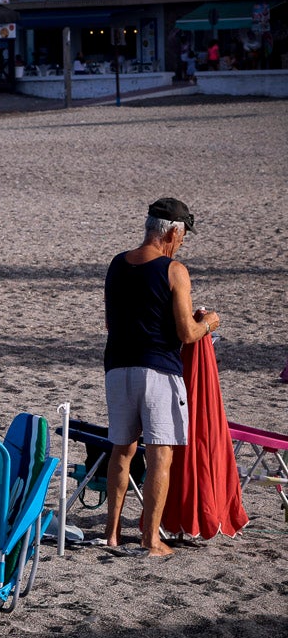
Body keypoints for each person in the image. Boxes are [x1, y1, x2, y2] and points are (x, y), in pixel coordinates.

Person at [103, 198, 220, 557]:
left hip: (117, 367)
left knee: (121, 451)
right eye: (183, 237)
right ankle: (150, 540)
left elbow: (111, 323)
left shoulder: (117, 264)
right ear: (172, 231)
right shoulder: (174, 270)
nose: (182, 243)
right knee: (160, 455)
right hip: (158, 370)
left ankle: (111, 534)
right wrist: (209, 322)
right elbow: (186, 333)